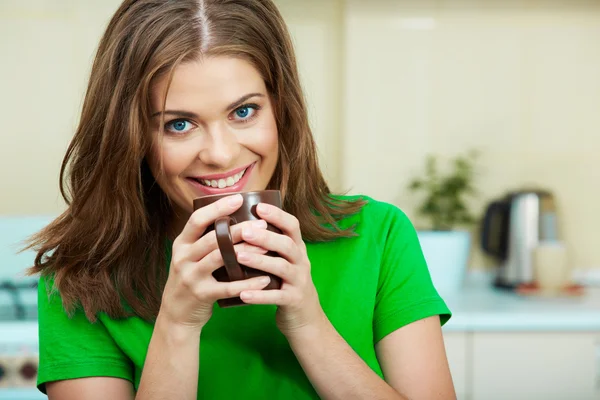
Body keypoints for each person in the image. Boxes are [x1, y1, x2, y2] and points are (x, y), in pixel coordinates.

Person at [27, 0, 455, 399]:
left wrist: (309, 324)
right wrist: (177, 324)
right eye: (178, 124)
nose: (220, 154)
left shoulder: (377, 237)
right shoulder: (80, 280)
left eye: (244, 111)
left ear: (281, 109)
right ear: (131, 136)